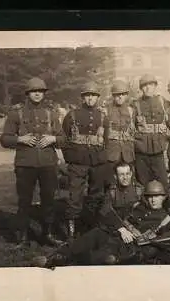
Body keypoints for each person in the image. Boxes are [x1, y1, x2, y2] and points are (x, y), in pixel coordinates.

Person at [33, 180, 170, 267]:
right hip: (116, 235)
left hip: (130, 248)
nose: (153, 200)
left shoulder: (166, 219)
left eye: (157, 196)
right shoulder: (136, 206)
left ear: (163, 197)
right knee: (95, 234)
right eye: (150, 196)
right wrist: (121, 228)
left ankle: (76, 260)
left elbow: (161, 244)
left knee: (104, 257)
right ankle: (54, 257)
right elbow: (110, 215)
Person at [0, 77, 65, 247]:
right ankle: (23, 237)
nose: (37, 94)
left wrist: (53, 138)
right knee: (24, 201)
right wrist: (20, 139)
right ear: (28, 93)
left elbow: (64, 139)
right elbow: (5, 139)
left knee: (49, 200)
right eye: (34, 91)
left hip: (48, 163)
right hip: (25, 164)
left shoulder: (52, 113)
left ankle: (47, 234)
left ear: (44, 94)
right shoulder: (16, 113)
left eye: (41, 91)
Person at [61, 81, 110, 238]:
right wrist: (70, 157)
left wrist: (102, 157)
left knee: (96, 194)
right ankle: (72, 231)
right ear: (83, 97)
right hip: (77, 161)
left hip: (97, 161)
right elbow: (64, 139)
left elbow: (106, 140)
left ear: (97, 98)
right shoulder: (72, 115)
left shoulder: (103, 117)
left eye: (93, 95)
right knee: (74, 195)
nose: (90, 99)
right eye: (87, 95)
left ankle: (92, 225)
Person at [132, 74, 170, 190]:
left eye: (151, 85)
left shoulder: (163, 102)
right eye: (144, 86)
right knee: (143, 184)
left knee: (163, 183)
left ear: (155, 86)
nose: (148, 88)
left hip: (159, 151)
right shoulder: (135, 105)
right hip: (141, 152)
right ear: (141, 88)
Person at [104, 80, 137, 188]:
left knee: (129, 183)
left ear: (127, 95)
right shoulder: (106, 111)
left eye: (123, 94)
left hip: (128, 153)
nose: (120, 97)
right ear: (113, 96)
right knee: (111, 184)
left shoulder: (132, 111)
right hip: (111, 154)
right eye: (117, 94)